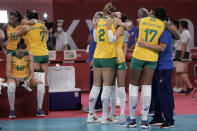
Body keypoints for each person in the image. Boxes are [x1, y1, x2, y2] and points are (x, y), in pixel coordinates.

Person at [120, 7, 168, 128]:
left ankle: (132, 119)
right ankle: (145, 121)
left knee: (133, 86)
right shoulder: (162, 24)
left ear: (152, 13)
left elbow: (136, 39)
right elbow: (173, 33)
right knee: (147, 86)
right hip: (152, 57)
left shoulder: (141, 22)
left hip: (139, 55)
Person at [137, 17, 175, 128]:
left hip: (164, 67)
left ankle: (169, 120)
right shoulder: (158, 31)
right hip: (155, 66)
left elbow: (162, 48)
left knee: (164, 94)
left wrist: (145, 44)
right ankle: (158, 117)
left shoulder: (165, 32)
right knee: (156, 93)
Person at [6, 38, 46, 118]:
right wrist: (16, 78)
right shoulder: (10, 56)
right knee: (11, 87)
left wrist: (28, 79)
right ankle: (12, 110)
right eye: (20, 52)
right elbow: (8, 74)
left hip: (26, 78)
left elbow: (32, 72)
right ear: (16, 49)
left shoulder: (29, 55)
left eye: (24, 52)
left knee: (41, 85)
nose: (22, 54)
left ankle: (39, 109)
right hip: (14, 77)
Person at [16, 9, 49, 86]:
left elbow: (17, 34)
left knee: (36, 81)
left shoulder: (27, 27)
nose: (24, 18)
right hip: (45, 54)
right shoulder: (42, 25)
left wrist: (24, 24)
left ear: (28, 18)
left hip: (35, 55)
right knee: (45, 80)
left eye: (25, 16)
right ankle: (47, 97)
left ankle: (39, 98)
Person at [109, 13, 128, 122]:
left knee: (121, 87)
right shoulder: (112, 26)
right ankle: (112, 113)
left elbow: (111, 39)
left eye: (116, 16)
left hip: (119, 59)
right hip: (110, 58)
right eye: (113, 15)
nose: (113, 17)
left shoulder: (120, 28)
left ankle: (122, 114)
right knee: (111, 88)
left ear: (120, 19)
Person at [83, 11, 103, 113]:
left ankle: (96, 105)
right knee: (97, 83)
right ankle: (98, 104)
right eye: (93, 17)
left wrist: (93, 60)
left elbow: (99, 46)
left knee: (94, 84)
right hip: (94, 60)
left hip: (95, 61)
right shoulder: (96, 29)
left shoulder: (97, 29)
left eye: (95, 17)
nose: (93, 19)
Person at [174, 20, 194, 95]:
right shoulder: (185, 33)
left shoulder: (185, 33)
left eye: (179, 25)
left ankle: (190, 86)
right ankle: (185, 88)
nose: (179, 27)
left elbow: (184, 45)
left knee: (180, 72)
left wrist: (182, 56)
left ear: (181, 25)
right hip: (183, 53)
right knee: (183, 72)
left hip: (181, 53)